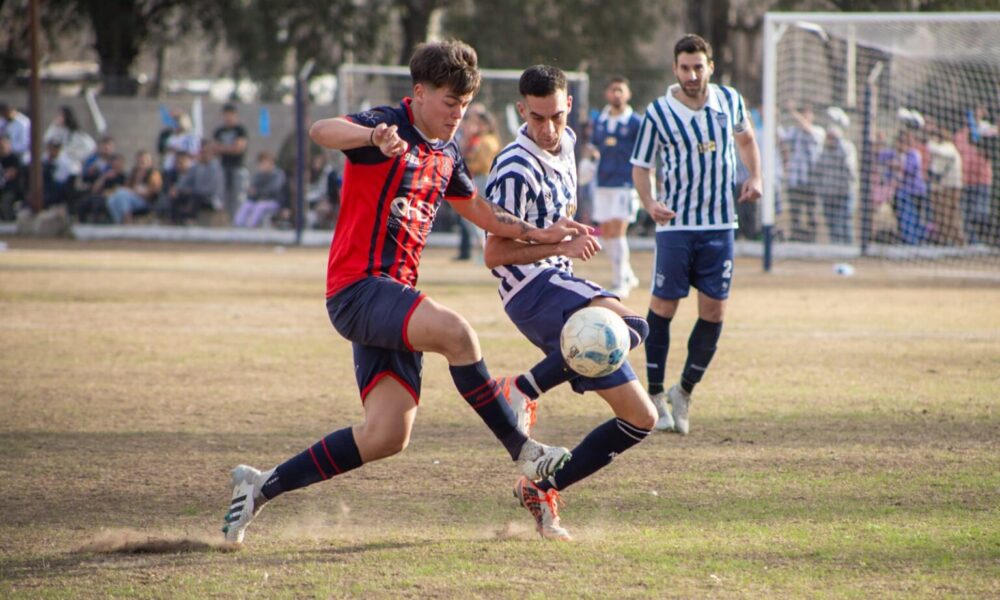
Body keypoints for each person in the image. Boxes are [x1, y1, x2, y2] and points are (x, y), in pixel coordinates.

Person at [221, 40, 590, 545]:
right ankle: (523, 450)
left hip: (393, 298)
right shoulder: (386, 125)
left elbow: (482, 213)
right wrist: (373, 134)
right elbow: (320, 130)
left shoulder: (445, 152)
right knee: (459, 335)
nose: (457, 115)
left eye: (464, 106)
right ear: (418, 94)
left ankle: (261, 486)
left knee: (386, 436)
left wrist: (544, 235)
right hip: (359, 289)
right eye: (448, 103)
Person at [483, 65, 657, 541]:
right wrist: (558, 246)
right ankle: (520, 388)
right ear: (522, 110)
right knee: (633, 322)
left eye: (556, 116)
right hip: (530, 290)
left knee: (641, 418)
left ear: (570, 108)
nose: (548, 128)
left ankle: (542, 487)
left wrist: (569, 228)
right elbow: (494, 253)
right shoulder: (514, 166)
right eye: (537, 118)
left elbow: (553, 216)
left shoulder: (569, 145)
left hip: (558, 280)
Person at [631, 34, 762, 435]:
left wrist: (755, 175)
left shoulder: (730, 101)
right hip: (677, 227)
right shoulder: (658, 112)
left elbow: (746, 140)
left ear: (710, 67)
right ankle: (654, 394)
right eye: (685, 68)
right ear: (675, 69)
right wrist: (650, 203)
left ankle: (683, 390)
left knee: (715, 312)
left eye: (698, 67)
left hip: (720, 224)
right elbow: (640, 165)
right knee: (664, 308)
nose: (692, 75)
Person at [592, 76, 643, 296]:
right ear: (607, 94)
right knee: (607, 232)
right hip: (603, 183)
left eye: (621, 90)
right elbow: (594, 147)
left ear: (628, 94)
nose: (617, 94)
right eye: (613, 90)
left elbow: (644, 154)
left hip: (625, 183)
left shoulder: (635, 123)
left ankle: (620, 280)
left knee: (619, 231)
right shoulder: (601, 122)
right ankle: (627, 274)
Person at [456, 105, 501, 261]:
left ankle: (486, 249)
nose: (477, 126)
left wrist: (465, 166)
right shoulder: (481, 139)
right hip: (479, 178)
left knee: (474, 217)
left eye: (480, 123)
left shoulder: (487, 142)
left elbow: (483, 165)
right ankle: (484, 248)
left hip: (482, 179)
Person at [781, 101, 824, 242]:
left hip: (810, 180)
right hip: (795, 179)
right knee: (795, 212)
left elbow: (807, 128)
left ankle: (812, 239)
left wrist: (793, 112)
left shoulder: (818, 131)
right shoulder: (793, 131)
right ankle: (796, 237)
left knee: (811, 212)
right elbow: (782, 142)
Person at [814, 122, 858, 244]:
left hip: (845, 193)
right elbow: (817, 172)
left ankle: (848, 247)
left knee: (845, 221)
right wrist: (820, 190)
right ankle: (836, 246)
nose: (831, 140)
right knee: (833, 224)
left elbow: (850, 170)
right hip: (829, 194)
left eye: (834, 137)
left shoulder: (847, 149)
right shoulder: (823, 152)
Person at [926, 122, 965, 246]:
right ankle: (944, 239)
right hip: (941, 187)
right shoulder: (940, 148)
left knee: (950, 214)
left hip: (951, 187)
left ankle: (958, 241)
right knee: (940, 215)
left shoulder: (948, 147)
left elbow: (937, 150)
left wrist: (929, 141)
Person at [169, 144, 223, 224]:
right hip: (195, 194)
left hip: (210, 198)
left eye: (205, 152)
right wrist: (177, 188)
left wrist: (193, 191)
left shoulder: (216, 169)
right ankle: (174, 220)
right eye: (201, 152)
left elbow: (211, 188)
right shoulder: (196, 167)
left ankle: (190, 220)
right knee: (177, 195)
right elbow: (186, 180)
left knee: (196, 197)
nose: (202, 155)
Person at [212, 103, 249, 219]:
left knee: (238, 196)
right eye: (225, 115)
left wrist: (223, 148)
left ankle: (238, 220)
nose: (228, 118)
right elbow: (214, 149)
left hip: (237, 166)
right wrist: (230, 148)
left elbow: (239, 148)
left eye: (230, 115)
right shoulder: (219, 131)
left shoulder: (240, 130)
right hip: (223, 166)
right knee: (223, 196)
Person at [106, 150, 162, 224]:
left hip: (146, 201)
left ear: (150, 162)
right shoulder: (133, 173)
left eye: (144, 161)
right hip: (131, 198)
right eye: (139, 160)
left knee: (122, 194)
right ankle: (119, 222)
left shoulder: (154, 174)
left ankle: (127, 220)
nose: (141, 163)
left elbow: (155, 191)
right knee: (112, 199)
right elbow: (127, 187)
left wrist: (140, 191)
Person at [233, 151, 286, 228]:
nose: (263, 164)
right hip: (257, 200)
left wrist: (258, 192)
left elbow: (273, 189)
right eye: (261, 162)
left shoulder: (278, 174)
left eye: (265, 162)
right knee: (247, 205)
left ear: (271, 162)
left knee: (260, 206)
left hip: (274, 201)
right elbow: (252, 189)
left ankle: (250, 227)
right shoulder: (259, 175)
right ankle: (238, 226)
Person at [43, 106, 96, 177]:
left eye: (61, 115)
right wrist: (54, 125)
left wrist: (75, 154)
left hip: (69, 163)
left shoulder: (76, 133)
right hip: (54, 162)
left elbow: (91, 146)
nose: (59, 118)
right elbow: (46, 139)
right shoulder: (56, 129)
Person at [0, 135, 24, 220]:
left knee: (6, 201)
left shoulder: (14, 158)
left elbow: (12, 174)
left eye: (3, 145)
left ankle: (9, 221)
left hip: (12, 188)